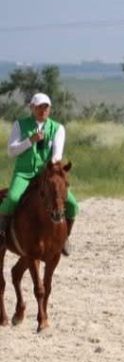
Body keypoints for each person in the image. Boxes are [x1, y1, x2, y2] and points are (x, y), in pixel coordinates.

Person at [0, 93, 78, 254]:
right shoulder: (20, 125)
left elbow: (57, 153)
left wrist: (52, 164)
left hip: (47, 175)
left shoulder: (58, 128)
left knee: (72, 205)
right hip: (24, 173)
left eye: (46, 107)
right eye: (39, 107)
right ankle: (2, 234)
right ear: (32, 108)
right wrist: (30, 140)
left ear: (49, 109)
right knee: (12, 199)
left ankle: (64, 238)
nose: (43, 110)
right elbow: (11, 151)